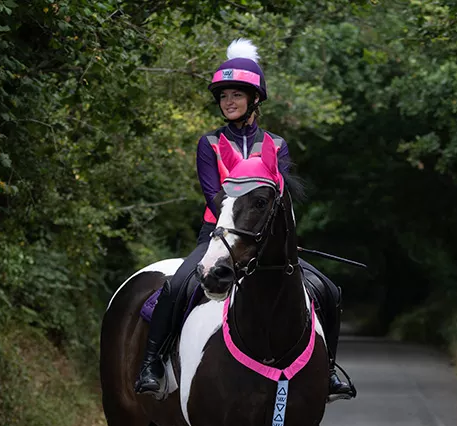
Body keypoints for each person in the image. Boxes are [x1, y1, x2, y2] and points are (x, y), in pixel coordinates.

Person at [135, 39, 356, 402]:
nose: (229, 102)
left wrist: (283, 237)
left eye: (237, 94)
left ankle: (328, 370)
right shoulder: (209, 144)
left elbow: (280, 197)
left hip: (266, 238)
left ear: (255, 99)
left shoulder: (277, 145)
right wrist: (239, 228)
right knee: (176, 289)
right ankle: (152, 363)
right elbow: (214, 194)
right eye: (223, 96)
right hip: (219, 233)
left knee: (329, 290)